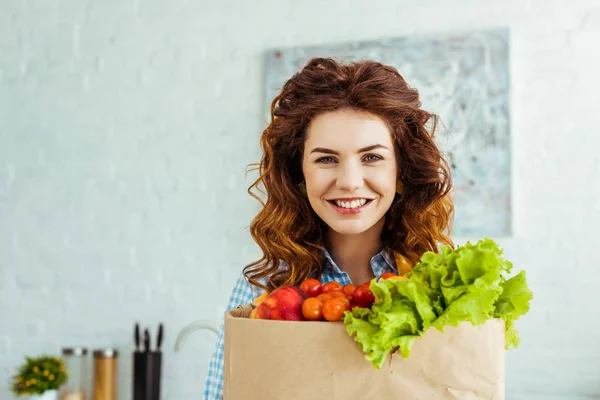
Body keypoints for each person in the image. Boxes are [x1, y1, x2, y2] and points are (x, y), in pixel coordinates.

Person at [203, 57, 454, 399]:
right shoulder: (261, 289)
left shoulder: (441, 286)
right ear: (299, 176)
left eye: (372, 157)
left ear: (401, 172)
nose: (349, 182)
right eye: (326, 159)